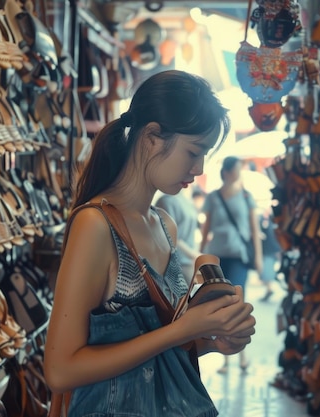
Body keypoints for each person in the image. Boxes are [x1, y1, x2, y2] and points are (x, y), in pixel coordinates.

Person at [44, 70, 256, 416]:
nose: (199, 168)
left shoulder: (164, 224)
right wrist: (183, 331)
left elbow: (155, 353)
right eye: (193, 152)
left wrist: (212, 339)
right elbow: (60, 370)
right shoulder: (95, 226)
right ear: (152, 137)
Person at [199, 155, 262, 374]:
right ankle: (226, 358)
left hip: (238, 256)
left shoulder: (246, 196)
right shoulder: (213, 197)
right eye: (236, 169)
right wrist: (201, 255)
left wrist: (259, 258)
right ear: (226, 172)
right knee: (222, 305)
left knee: (237, 302)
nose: (238, 173)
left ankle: (242, 353)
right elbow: (206, 229)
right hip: (217, 256)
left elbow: (254, 230)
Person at [155, 185, 201, 281]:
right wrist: (194, 254)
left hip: (188, 263)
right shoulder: (166, 201)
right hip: (174, 264)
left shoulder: (187, 201)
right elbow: (170, 237)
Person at [259, 208, 282, 301]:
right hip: (271, 250)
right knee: (266, 271)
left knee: (266, 271)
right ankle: (269, 289)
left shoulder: (271, 222)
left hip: (270, 250)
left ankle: (269, 290)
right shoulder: (268, 222)